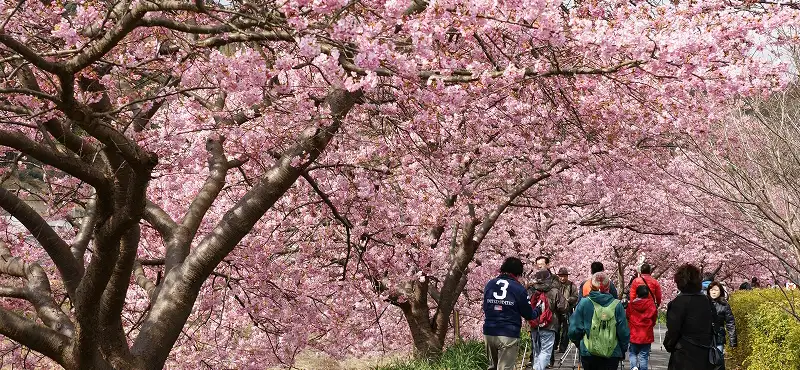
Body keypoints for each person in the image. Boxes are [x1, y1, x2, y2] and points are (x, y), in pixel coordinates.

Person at [484, 257, 543, 370]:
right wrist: (538, 310)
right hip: (508, 332)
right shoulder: (518, 288)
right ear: (518, 272)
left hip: (489, 331)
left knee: (492, 367)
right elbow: (528, 314)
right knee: (505, 368)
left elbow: (486, 307)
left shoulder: (490, 284)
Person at [568, 271, 630, 370]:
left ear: (591, 286)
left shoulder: (584, 303)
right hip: (612, 353)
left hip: (588, 352)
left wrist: (579, 343)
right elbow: (623, 332)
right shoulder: (617, 305)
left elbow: (573, 330)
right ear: (608, 287)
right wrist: (622, 350)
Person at [663, 263, 716, 370]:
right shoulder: (707, 301)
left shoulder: (678, 302)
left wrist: (669, 344)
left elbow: (673, 330)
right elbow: (714, 323)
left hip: (684, 354)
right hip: (704, 353)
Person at [527, 269, 567, 370]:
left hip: (534, 324)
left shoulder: (531, 290)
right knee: (545, 351)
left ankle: (536, 367)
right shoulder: (554, 291)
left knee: (537, 352)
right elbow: (563, 306)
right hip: (550, 324)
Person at [706, 281, 736, 370]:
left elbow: (730, 322)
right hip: (705, 337)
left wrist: (732, 341)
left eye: (716, 290)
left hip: (719, 336)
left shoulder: (724, 304)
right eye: (711, 290)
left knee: (718, 359)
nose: (713, 292)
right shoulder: (704, 303)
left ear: (720, 291)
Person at [626, 285, 657, 370]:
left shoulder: (631, 305)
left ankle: (634, 367)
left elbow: (627, 316)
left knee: (633, 353)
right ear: (647, 294)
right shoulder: (651, 305)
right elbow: (654, 319)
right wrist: (650, 325)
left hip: (634, 334)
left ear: (637, 294)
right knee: (644, 356)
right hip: (646, 334)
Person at [556, 267, 579, 353]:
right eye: (561, 276)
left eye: (564, 276)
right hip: (557, 310)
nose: (563, 278)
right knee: (556, 328)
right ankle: (555, 345)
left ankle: (563, 347)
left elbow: (576, 296)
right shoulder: (555, 285)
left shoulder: (571, 285)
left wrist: (568, 300)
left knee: (566, 329)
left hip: (567, 309)